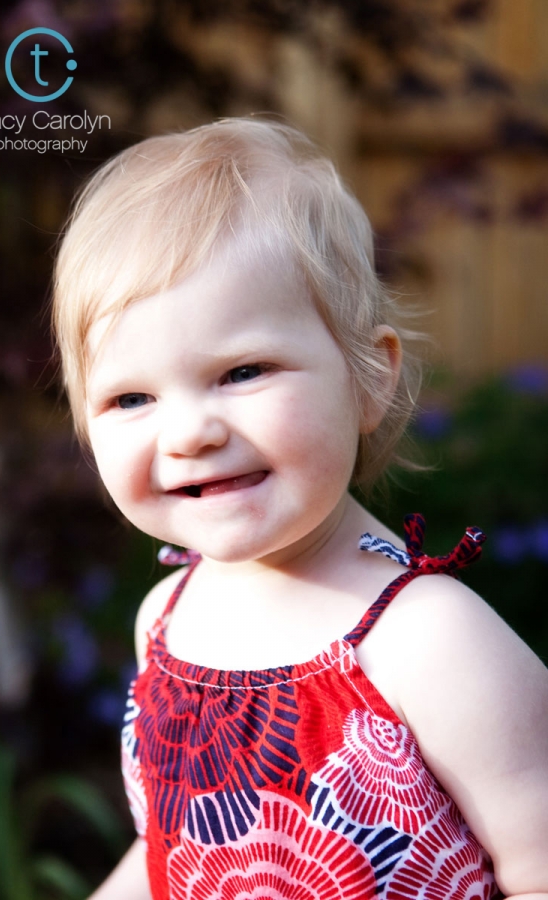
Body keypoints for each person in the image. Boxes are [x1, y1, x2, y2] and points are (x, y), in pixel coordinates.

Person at [52, 118, 548, 900]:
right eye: (132, 398)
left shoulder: (431, 643)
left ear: (369, 378)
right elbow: (169, 850)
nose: (188, 433)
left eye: (243, 371)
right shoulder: (164, 621)